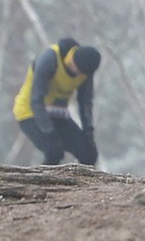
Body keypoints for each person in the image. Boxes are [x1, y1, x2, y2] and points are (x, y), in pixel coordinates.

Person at [12, 38, 101, 166]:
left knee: (89, 153)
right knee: (53, 150)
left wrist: (88, 131)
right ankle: (42, 183)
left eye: (82, 73)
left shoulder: (86, 71)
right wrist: (49, 132)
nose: (77, 74)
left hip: (58, 115)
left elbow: (85, 102)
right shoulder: (49, 59)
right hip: (30, 113)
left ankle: (78, 185)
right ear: (73, 59)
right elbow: (36, 99)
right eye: (77, 69)